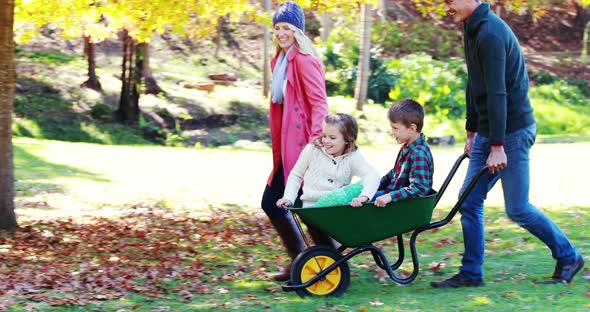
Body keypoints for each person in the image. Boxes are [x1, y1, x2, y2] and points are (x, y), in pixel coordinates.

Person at [431, 0, 583, 288]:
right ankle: (471, 273)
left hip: (511, 132)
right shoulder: (471, 28)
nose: (446, 7)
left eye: (450, 1)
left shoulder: (490, 33)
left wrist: (498, 145)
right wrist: (471, 131)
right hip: (490, 132)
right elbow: (475, 83)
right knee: (469, 202)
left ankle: (569, 256)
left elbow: (498, 93)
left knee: (517, 208)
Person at [260, 1, 330, 281]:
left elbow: (319, 104)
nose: (281, 33)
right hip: (286, 146)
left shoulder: (304, 60)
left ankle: (326, 256)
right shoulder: (280, 61)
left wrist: (315, 143)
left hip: (304, 146)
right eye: (277, 28)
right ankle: (306, 257)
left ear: (298, 30)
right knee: (278, 201)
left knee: (299, 202)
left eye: (287, 27)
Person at [276, 113, 380, 210]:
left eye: (332, 138)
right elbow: (296, 175)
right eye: (324, 136)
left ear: (347, 140)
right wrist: (288, 198)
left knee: (361, 186)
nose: (326, 141)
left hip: (337, 209)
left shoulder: (352, 156)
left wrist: (364, 196)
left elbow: (372, 175)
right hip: (312, 207)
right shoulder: (312, 150)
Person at [373, 99, 434, 208]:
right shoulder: (408, 147)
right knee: (360, 194)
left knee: (354, 203)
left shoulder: (418, 153)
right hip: (390, 193)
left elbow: (420, 189)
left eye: (395, 128)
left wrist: (390, 196)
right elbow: (395, 173)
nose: (392, 132)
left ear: (411, 128)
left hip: (400, 205)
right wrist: (375, 184)